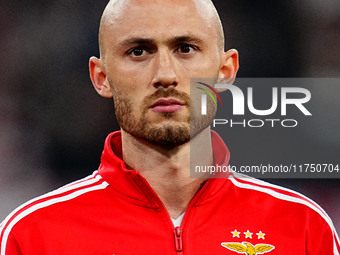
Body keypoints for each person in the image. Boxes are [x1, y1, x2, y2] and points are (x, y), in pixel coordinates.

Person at [0, 0, 339, 254]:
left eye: (186, 48)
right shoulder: (32, 235)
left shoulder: (303, 227)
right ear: (101, 78)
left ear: (226, 70)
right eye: (138, 51)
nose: (165, 74)